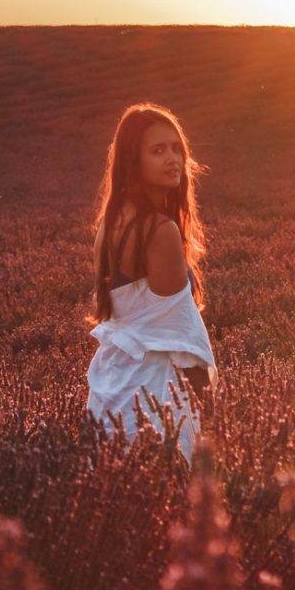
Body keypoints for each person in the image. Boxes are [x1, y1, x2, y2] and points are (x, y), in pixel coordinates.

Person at [84, 102, 218, 466]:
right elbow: (182, 338)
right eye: (157, 150)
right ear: (133, 161)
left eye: (177, 149)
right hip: (159, 395)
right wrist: (212, 418)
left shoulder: (110, 226)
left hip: (114, 391)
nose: (172, 159)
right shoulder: (160, 231)